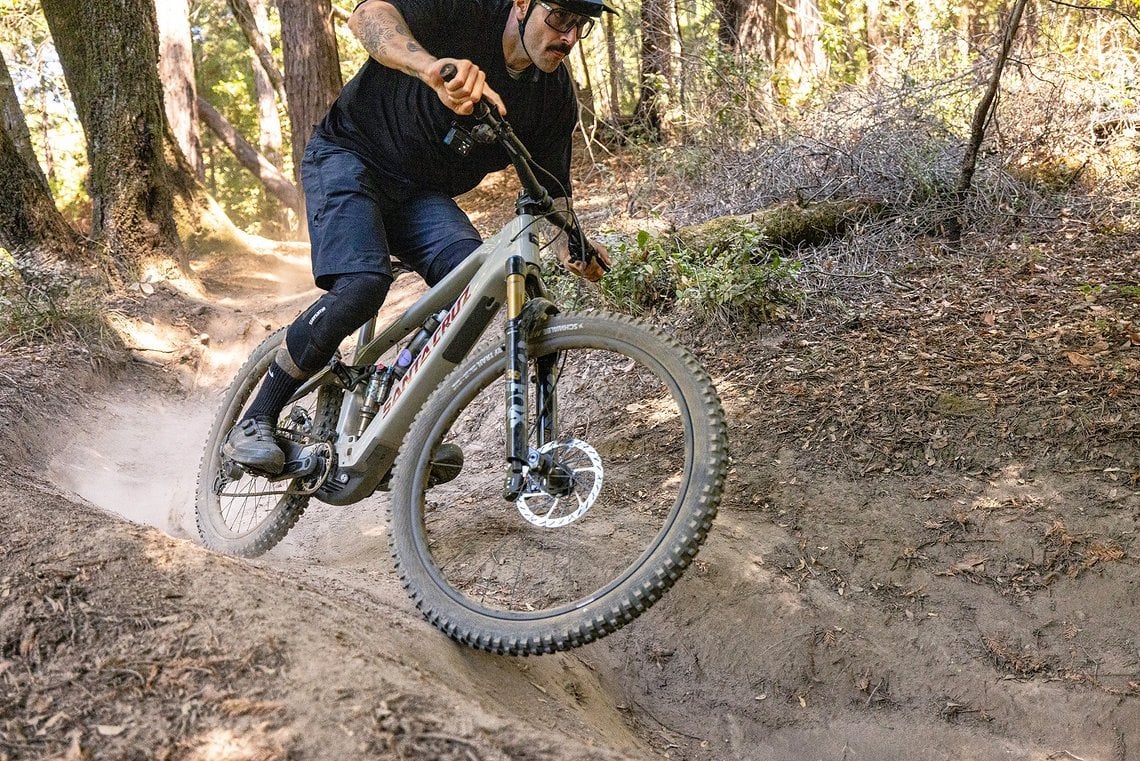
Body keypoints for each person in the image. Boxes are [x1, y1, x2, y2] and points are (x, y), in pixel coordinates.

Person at [224, 0, 614, 473]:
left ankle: (387, 425)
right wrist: (431, 68)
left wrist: (576, 245)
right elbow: (367, 17)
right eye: (559, 18)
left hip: (420, 197)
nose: (568, 37)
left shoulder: (552, 99)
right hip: (349, 156)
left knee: (477, 286)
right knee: (365, 284)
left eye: (580, 26)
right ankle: (256, 417)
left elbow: (550, 197)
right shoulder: (466, 11)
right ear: (521, 5)